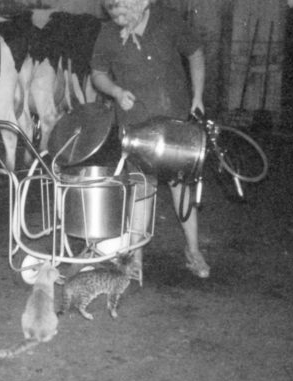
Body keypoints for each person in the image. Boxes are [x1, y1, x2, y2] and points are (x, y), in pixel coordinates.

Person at [90, 0, 210, 278]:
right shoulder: (108, 33)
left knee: (181, 186)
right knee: (141, 188)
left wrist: (198, 97)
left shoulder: (167, 20)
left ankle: (193, 251)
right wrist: (117, 92)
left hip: (176, 122)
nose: (117, 18)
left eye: (122, 12)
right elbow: (97, 73)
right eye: (112, 13)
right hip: (136, 126)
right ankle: (136, 258)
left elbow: (195, 53)